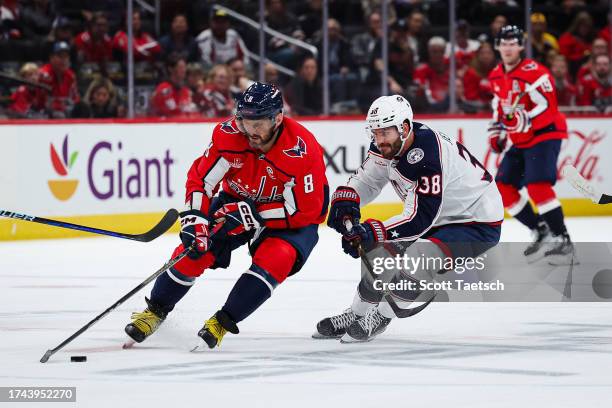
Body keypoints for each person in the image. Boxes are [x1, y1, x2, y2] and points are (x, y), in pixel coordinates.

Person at [124, 82, 329, 349]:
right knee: (195, 248)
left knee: (277, 258)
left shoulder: (302, 149)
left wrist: (255, 215)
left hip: (288, 217)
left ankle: (222, 322)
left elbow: (306, 210)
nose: (249, 130)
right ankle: (155, 310)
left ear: (277, 118)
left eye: (258, 124)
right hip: (236, 201)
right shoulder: (229, 134)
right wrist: (196, 219)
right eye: (245, 121)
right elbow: (201, 180)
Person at [314, 94, 503, 343]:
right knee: (380, 254)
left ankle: (381, 316)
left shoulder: (427, 155)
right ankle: (356, 314)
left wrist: (373, 232)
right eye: (375, 132)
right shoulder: (389, 144)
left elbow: (421, 216)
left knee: (419, 257)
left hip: (475, 222)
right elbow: (369, 179)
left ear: (404, 128)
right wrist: (349, 196)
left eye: (385, 133)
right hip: (440, 215)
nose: (379, 140)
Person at [488, 26, 574, 264]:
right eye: (503, 43)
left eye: (512, 43)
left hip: (545, 133)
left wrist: (526, 119)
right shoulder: (496, 74)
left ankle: (563, 239)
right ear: (497, 46)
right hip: (521, 138)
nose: (507, 47)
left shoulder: (536, 73)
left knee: (537, 185)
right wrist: (498, 129)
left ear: (521, 46)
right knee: (503, 188)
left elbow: (549, 106)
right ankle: (541, 229)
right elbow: (499, 104)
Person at [34, 41, 80, 118]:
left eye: (66, 56)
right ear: (51, 58)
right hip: (42, 114)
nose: (64, 60)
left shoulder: (70, 75)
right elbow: (39, 102)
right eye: (60, 56)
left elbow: (75, 99)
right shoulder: (44, 74)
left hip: (65, 113)